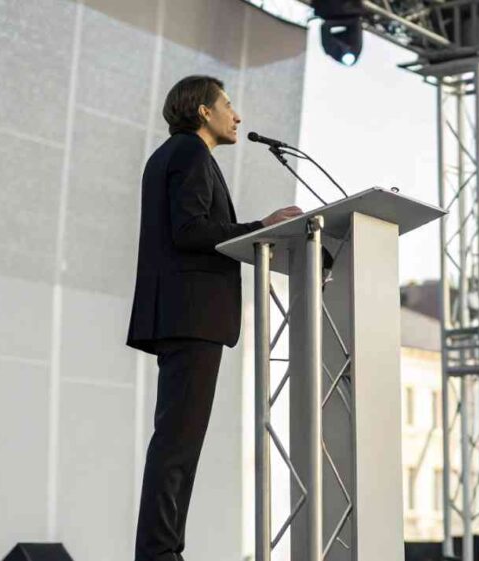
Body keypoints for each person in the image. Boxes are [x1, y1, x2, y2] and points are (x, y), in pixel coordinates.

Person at [126, 75, 302, 561]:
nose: (237, 115)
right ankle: (160, 553)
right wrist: (260, 228)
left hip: (186, 315)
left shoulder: (177, 155)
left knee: (178, 442)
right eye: (227, 104)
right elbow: (190, 230)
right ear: (203, 111)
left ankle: (162, 550)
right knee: (178, 444)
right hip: (191, 315)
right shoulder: (188, 154)